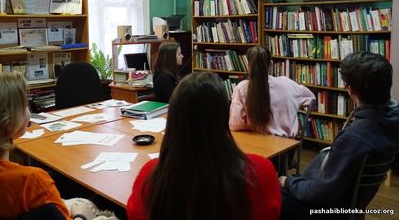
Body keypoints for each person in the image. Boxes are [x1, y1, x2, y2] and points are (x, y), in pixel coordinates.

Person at [126, 72, 281, 220]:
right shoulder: (260, 172)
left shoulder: (151, 177)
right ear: (223, 114)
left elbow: (134, 213)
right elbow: (271, 212)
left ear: (173, 118)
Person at [0, 71, 91, 219]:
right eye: (25, 104)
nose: (29, 109)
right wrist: (81, 215)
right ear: (7, 123)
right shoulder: (32, 182)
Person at [279, 52, 399, 218]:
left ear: (351, 90)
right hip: (353, 203)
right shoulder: (392, 120)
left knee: (271, 195)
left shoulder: (355, 137)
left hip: (331, 208)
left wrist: (289, 182)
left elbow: (321, 194)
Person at [229, 46, 315, 137]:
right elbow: (311, 99)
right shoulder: (287, 83)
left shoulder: (242, 88)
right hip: (287, 145)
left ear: (248, 66)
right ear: (271, 64)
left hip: (257, 143)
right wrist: (292, 107)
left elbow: (235, 125)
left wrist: (254, 126)